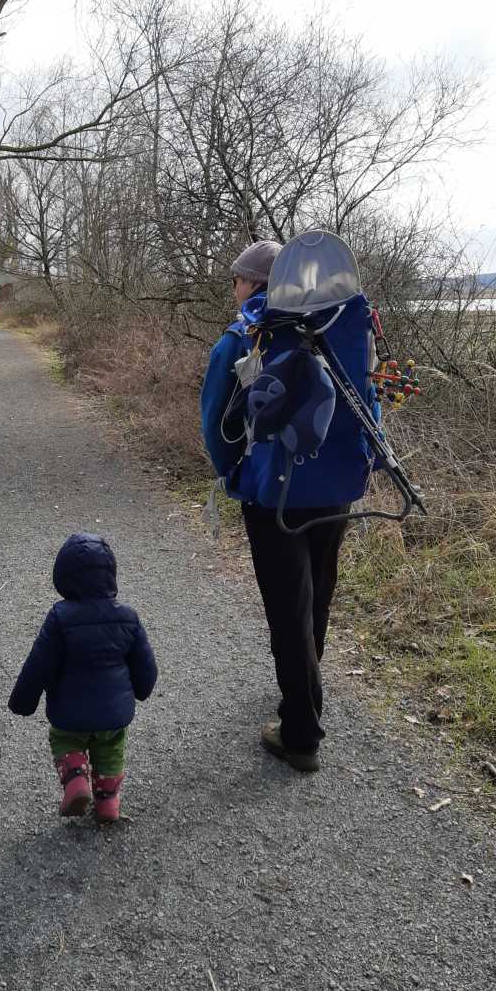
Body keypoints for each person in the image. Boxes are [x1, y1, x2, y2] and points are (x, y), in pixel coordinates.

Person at [200, 239, 378, 774]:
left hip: (272, 491)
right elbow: (366, 397)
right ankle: (307, 681)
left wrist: (232, 471)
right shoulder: (344, 323)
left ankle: (300, 731)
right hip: (339, 481)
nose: (234, 290)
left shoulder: (245, 335)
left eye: (237, 280)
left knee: (287, 605)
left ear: (254, 283)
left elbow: (217, 423)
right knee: (318, 587)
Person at [8, 532, 157, 823]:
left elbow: (39, 663)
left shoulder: (61, 617)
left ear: (63, 576)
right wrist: (141, 689)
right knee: (111, 749)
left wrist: (23, 701)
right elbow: (145, 665)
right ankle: (108, 802)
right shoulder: (128, 616)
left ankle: (76, 780)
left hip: (69, 713)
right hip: (113, 714)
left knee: (63, 739)